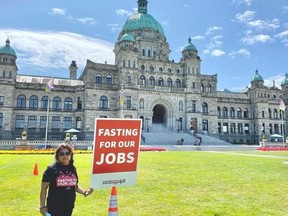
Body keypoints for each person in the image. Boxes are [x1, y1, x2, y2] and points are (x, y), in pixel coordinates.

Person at [40, 143, 93, 216]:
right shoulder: (51, 170)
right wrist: (42, 206)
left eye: (67, 153)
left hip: (69, 205)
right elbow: (43, 189)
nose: (65, 156)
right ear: (57, 156)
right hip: (54, 206)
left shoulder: (72, 169)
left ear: (71, 155)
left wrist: (85, 192)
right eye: (61, 154)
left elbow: (74, 186)